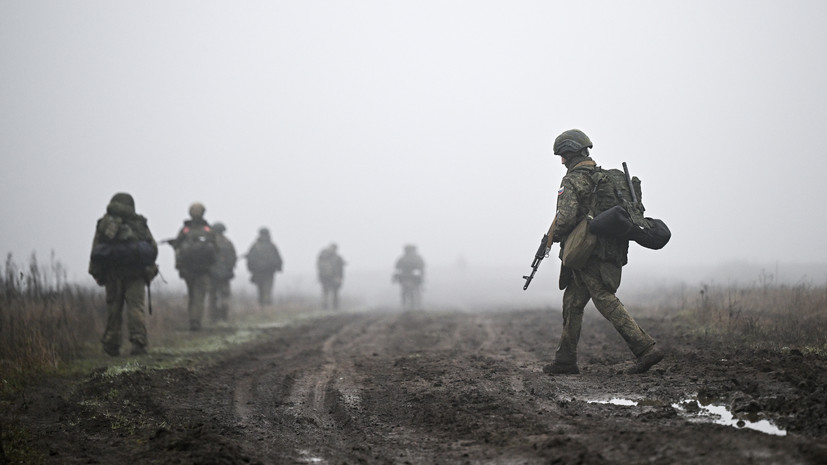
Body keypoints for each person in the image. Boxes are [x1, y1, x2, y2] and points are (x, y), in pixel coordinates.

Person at [545, 129, 663, 375]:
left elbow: (565, 220)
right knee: (573, 301)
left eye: (563, 156)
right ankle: (565, 360)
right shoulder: (607, 179)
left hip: (587, 251)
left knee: (604, 299)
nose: (562, 161)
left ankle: (645, 348)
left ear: (570, 153)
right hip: (611, 248)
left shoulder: (573, 180)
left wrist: (552, 237)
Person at [89, 192, 158, 356]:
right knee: (136, 308)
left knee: (114, 309)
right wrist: (150, 270)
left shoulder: (105, 223)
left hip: (112, 274)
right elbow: (152, 248)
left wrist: (96, 273)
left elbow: (96, 249)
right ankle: (138, 343)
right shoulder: (139, 222)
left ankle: (112, 345)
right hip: (136, 274)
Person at [170, 202, 217, 331]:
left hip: (187, 270)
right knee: (200, 296)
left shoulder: (185, 230)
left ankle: (192, 320)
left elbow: (177, 246)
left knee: (192, 295)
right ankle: (196, 321)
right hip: (204, 270)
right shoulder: (208, 230)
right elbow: (215, 248)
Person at [246, 227, 282, 307]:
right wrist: (278, 268)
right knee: (267, 290)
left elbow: (250, 259)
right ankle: (266, 307)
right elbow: (278, 258)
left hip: (258, 272)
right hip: (269, 272)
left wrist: (251, 270)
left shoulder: (255, 246)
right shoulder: (272, 246)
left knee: (261, 290)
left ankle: (262, 307)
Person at [208, 222, 236, 322]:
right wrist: (229, 269)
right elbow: (233, 258)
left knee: (212, 296)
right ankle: (224, 316)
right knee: (225, 295)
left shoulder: (209, 242)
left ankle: (213, 318)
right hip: (225, 275)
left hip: (211, 274)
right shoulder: (228, 243)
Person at [393, 244, 425, 310]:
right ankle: (405, 304)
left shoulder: (405, 258)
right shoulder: (404, 258)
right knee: (405, 291)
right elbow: (397, 267)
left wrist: (421, 275)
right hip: (406, 276)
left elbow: (421, 267)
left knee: (414, 289)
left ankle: (413, 304)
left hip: (412, 276)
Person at [317, 243, 345, 310]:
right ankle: (331, 307)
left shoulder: (323, 256)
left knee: (329, 293)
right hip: (329, 277)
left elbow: (319, 267)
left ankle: (328, 307)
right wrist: (340, 277)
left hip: (327, 277)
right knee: (331, 292)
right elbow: (339, 269)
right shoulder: (334, 257)